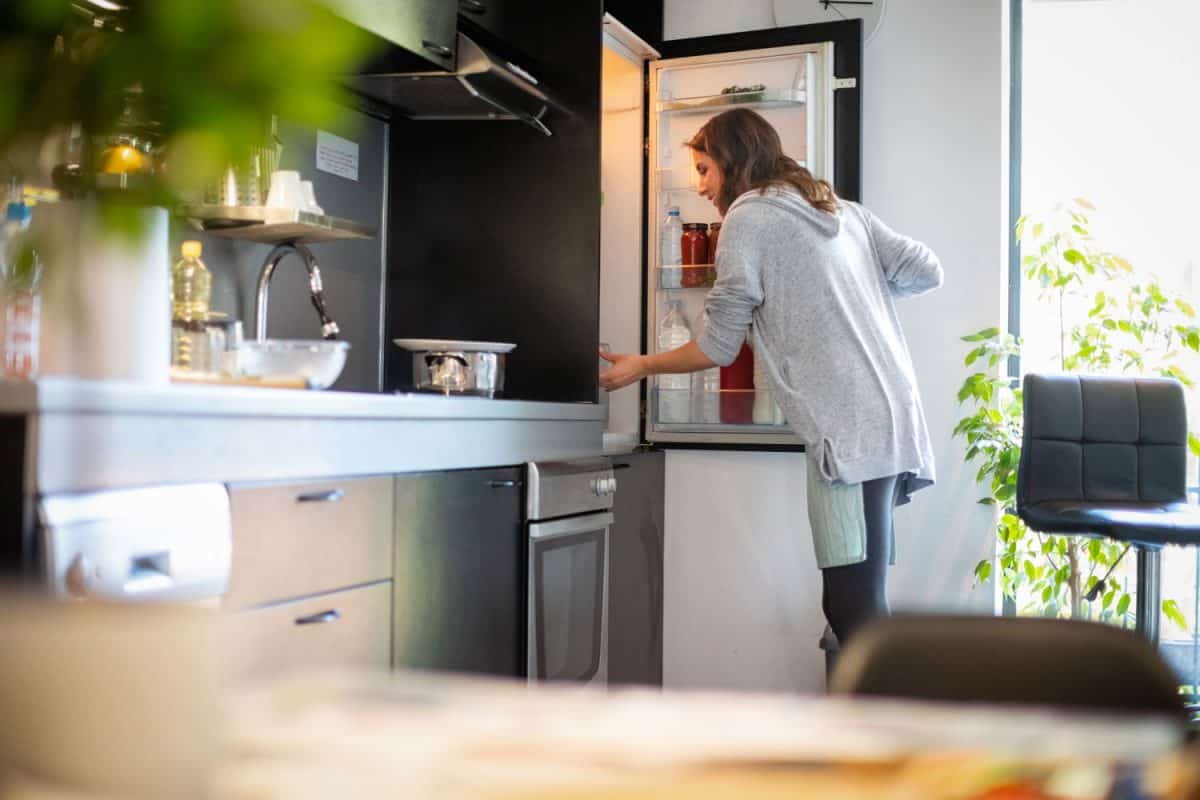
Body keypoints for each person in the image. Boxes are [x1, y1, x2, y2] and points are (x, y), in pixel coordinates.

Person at [599, 108, 943, 649]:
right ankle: (887, 700)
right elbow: (926, 269)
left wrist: (640, 365)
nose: (701, 186)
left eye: (704, 169)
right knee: (861, 601)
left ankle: (893, 705)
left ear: (733, 161)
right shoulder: (841, 210)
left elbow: (717, 345)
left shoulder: (748, 217)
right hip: (892, 416)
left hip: (845, 430)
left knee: (852, 610)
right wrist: (853, 294)